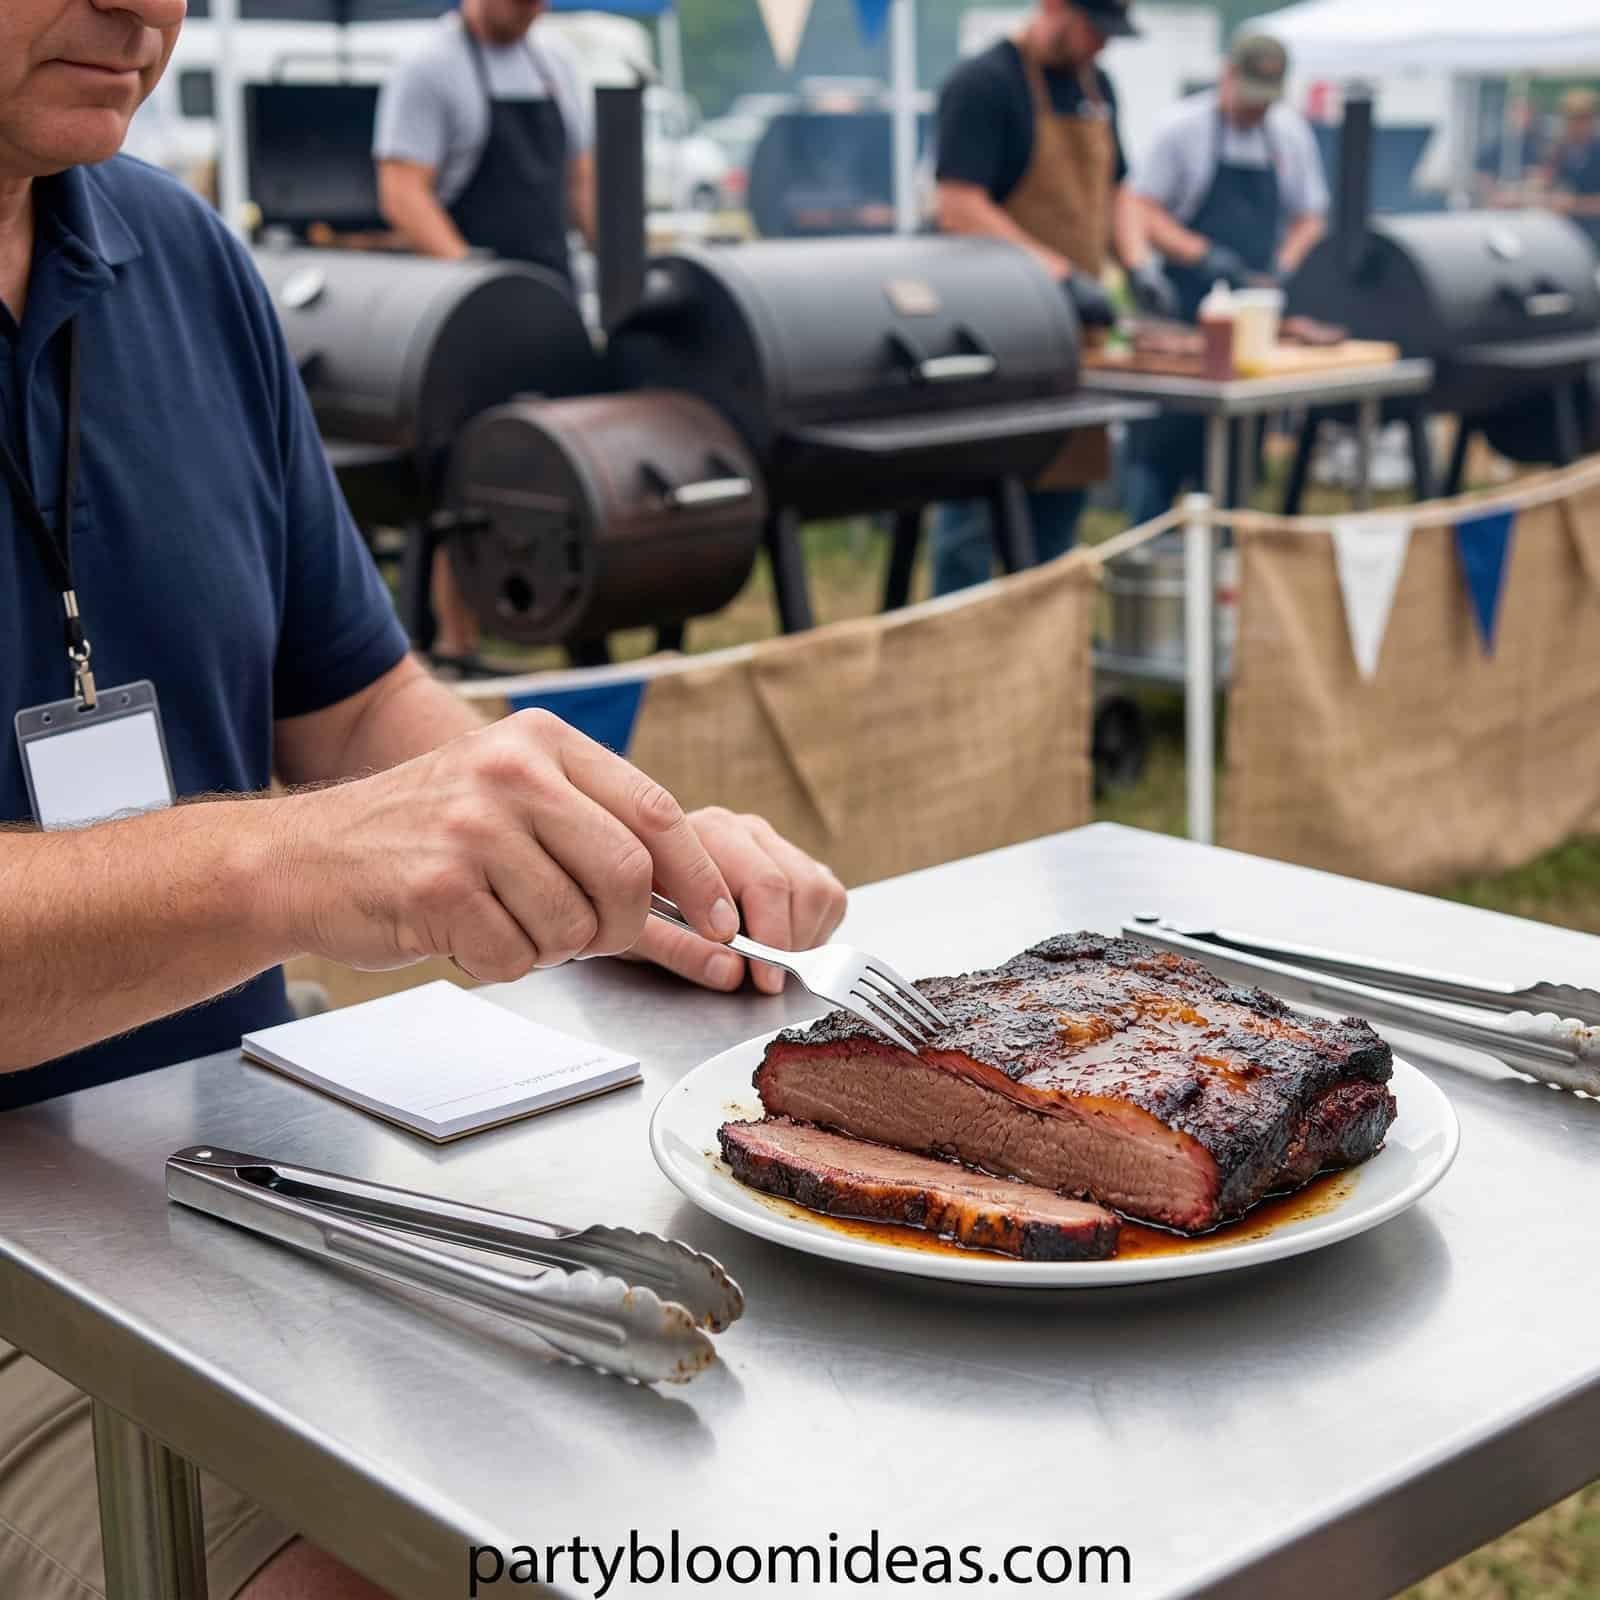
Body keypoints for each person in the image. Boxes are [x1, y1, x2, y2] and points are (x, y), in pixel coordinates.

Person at [0, 2, 845, 1595]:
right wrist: (295, 864)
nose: (144, 9)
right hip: (35, 1282)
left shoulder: (180, 258)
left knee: (703, 1459)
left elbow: (353, 702)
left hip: (236, 1150)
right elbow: (309, 821)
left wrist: (593, 833)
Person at [373, 0, 596, 673]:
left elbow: (579, 183)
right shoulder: (429, 66)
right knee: (465, 478)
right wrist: (472, 278)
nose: (527, 12)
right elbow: (403, 190)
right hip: (470, 314)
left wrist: (619, 267)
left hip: (555, 304)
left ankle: (570, 624)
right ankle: (457, 645)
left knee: (564, 470)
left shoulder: (556, 63)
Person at [928, 0, 1176, 596]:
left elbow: (1117, 190)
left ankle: (1037, 660)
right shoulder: (983, 84)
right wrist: (1056, 276)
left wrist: (1138, 261)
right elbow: (959, 205)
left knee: (1058, 511)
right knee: (974, 521)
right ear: (1054, 9)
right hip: (993, 344)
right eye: (1095, 29)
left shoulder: (1099, 87)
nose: (1102, 46)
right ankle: (954, 660)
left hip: (1072, 344)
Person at [1122, 32, 1329, 528]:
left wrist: (1285, 262)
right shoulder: (1181, 130)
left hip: (1251, 327)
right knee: (1161, 451)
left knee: (1236, 459)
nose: (1255, 110)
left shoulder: (1289, 136)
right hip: (1184, 312)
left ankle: (1229, 556)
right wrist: (1200, 253)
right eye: (1248, 95)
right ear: (1226, 76)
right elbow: (1139, 206)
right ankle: (1146, 546)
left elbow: (1311, 216)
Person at [1544, 87, 1600, 246]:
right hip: (1564, 231)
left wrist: (1573, 205)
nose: (1574, 125)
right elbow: (1546, 182)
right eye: (1570, 118)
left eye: (1581, 118)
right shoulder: (1560, 150)